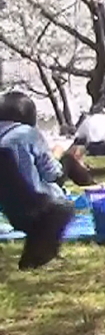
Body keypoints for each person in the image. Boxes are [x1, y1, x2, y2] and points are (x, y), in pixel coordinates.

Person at [0, 92, 78, 270]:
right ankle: (38, 258)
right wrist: (57, 154)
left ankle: (37, 255)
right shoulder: (27, 134)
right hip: (37, 206)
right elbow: (52, 173)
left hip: (8, 209)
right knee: (63, 207)